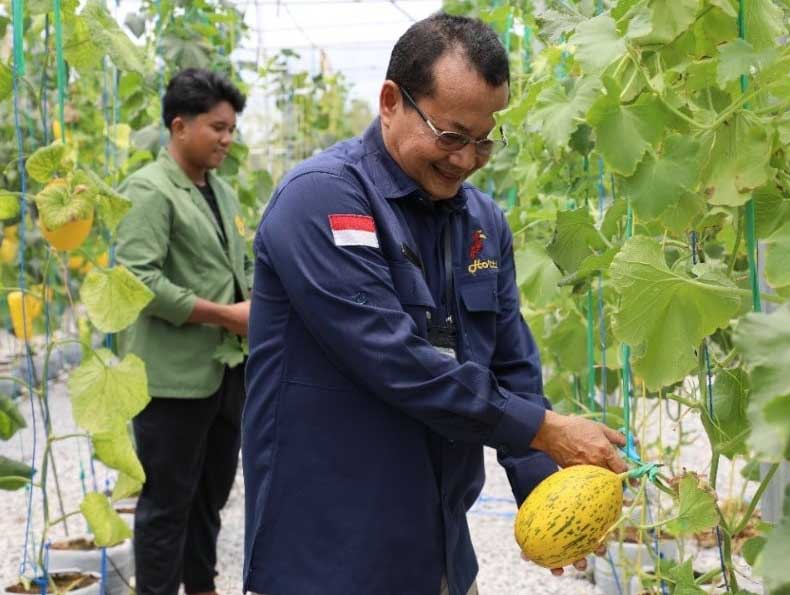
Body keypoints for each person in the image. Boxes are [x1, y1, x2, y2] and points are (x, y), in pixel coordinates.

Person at [242, 13, 627, 595]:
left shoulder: (481, 221)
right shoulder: (322, 199)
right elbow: (394, 359)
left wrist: (548, 494)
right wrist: (545, 430)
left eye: (485, 141)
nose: (466, 160)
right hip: (329, 553)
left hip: (438, 549)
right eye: (450, 136)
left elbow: (510, 362)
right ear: (392, 101)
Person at [116, 68, 253, 595]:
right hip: (172, 382)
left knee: (210, 499)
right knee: (166, 506)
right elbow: (138, 281)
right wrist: (226, 315)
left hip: (223, 373)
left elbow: (239, 266)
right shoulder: (150, 191)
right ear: (179, 126)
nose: (226, 139)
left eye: (231, 129)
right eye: (217, 127)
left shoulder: (222, 193)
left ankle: (202, 586)